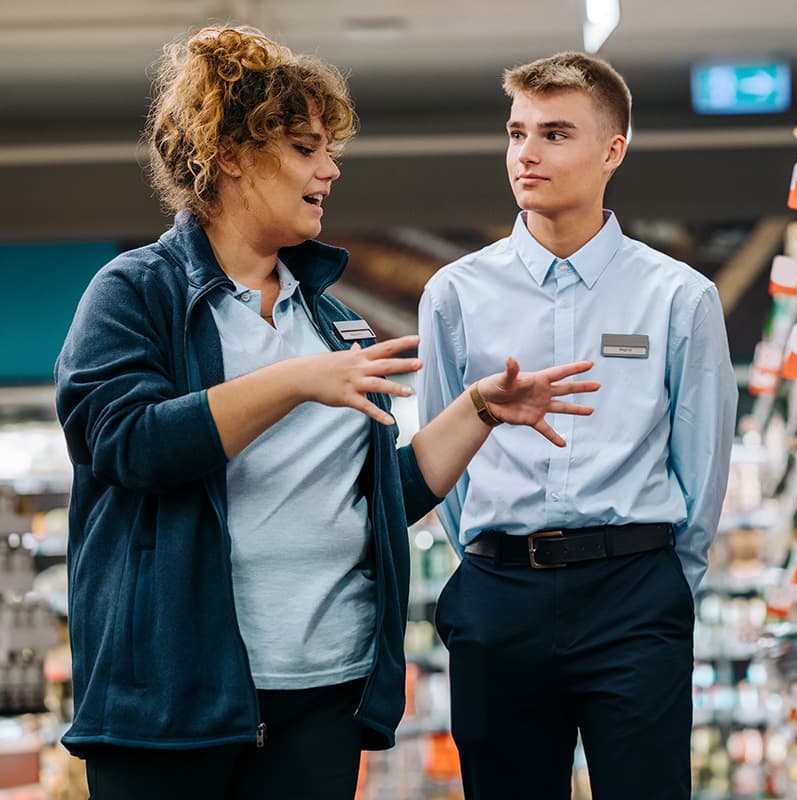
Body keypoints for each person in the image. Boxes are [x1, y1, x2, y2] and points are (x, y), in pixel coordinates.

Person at [54, 27, 600, 800]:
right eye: (307, 148)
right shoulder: (137, 293)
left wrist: (481, 409)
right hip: (174, 701)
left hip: (323, 696)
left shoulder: (334, 323)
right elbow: (126, 443)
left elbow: (379, 500)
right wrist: (292, 381)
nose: (330, 168)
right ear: (232, 154)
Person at [418, 51, 737, 800]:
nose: (525, 153)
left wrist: (662, 586)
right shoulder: (454, 295)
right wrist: (492, 555)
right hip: (499, 597)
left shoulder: (677, 298)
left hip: (635, 597)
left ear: (612, 151)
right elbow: (440, 458)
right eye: (516, 131)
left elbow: (703, 467)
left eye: (555, 133)